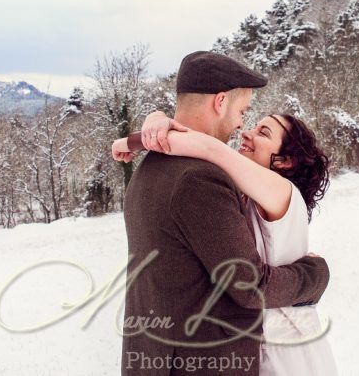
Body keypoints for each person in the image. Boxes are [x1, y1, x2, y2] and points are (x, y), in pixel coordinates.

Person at [117, 50, 331, 376]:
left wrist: (144, 136)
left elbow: (210, 149)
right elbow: (250, 286)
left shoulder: (149, 169)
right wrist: (315, 276)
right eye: (243, 112)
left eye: (262, 131)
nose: (242, 127)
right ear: (220, 102)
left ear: (285, 160)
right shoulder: (201, 177)